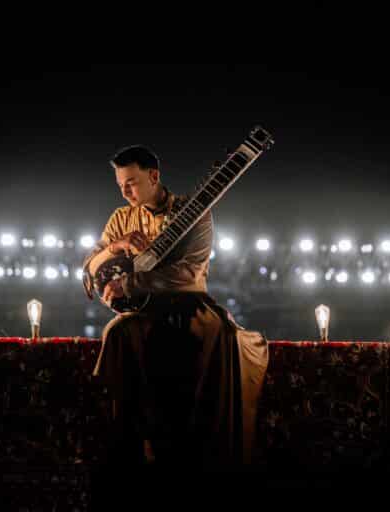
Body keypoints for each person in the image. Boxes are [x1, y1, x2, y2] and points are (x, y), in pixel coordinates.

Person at [81, 144, 269, 485]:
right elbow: (89, 268)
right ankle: (127, 447)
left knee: (210, 338)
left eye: (132, 182)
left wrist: (132, 282)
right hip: (144, 309)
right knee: (117, 333)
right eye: (120, 184)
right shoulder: (120, 218)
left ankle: (197, 454)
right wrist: (114, 246)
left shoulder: (196, 211)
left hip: (189, 304)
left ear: (154, 176)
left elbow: (188, 272)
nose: (125, 191)